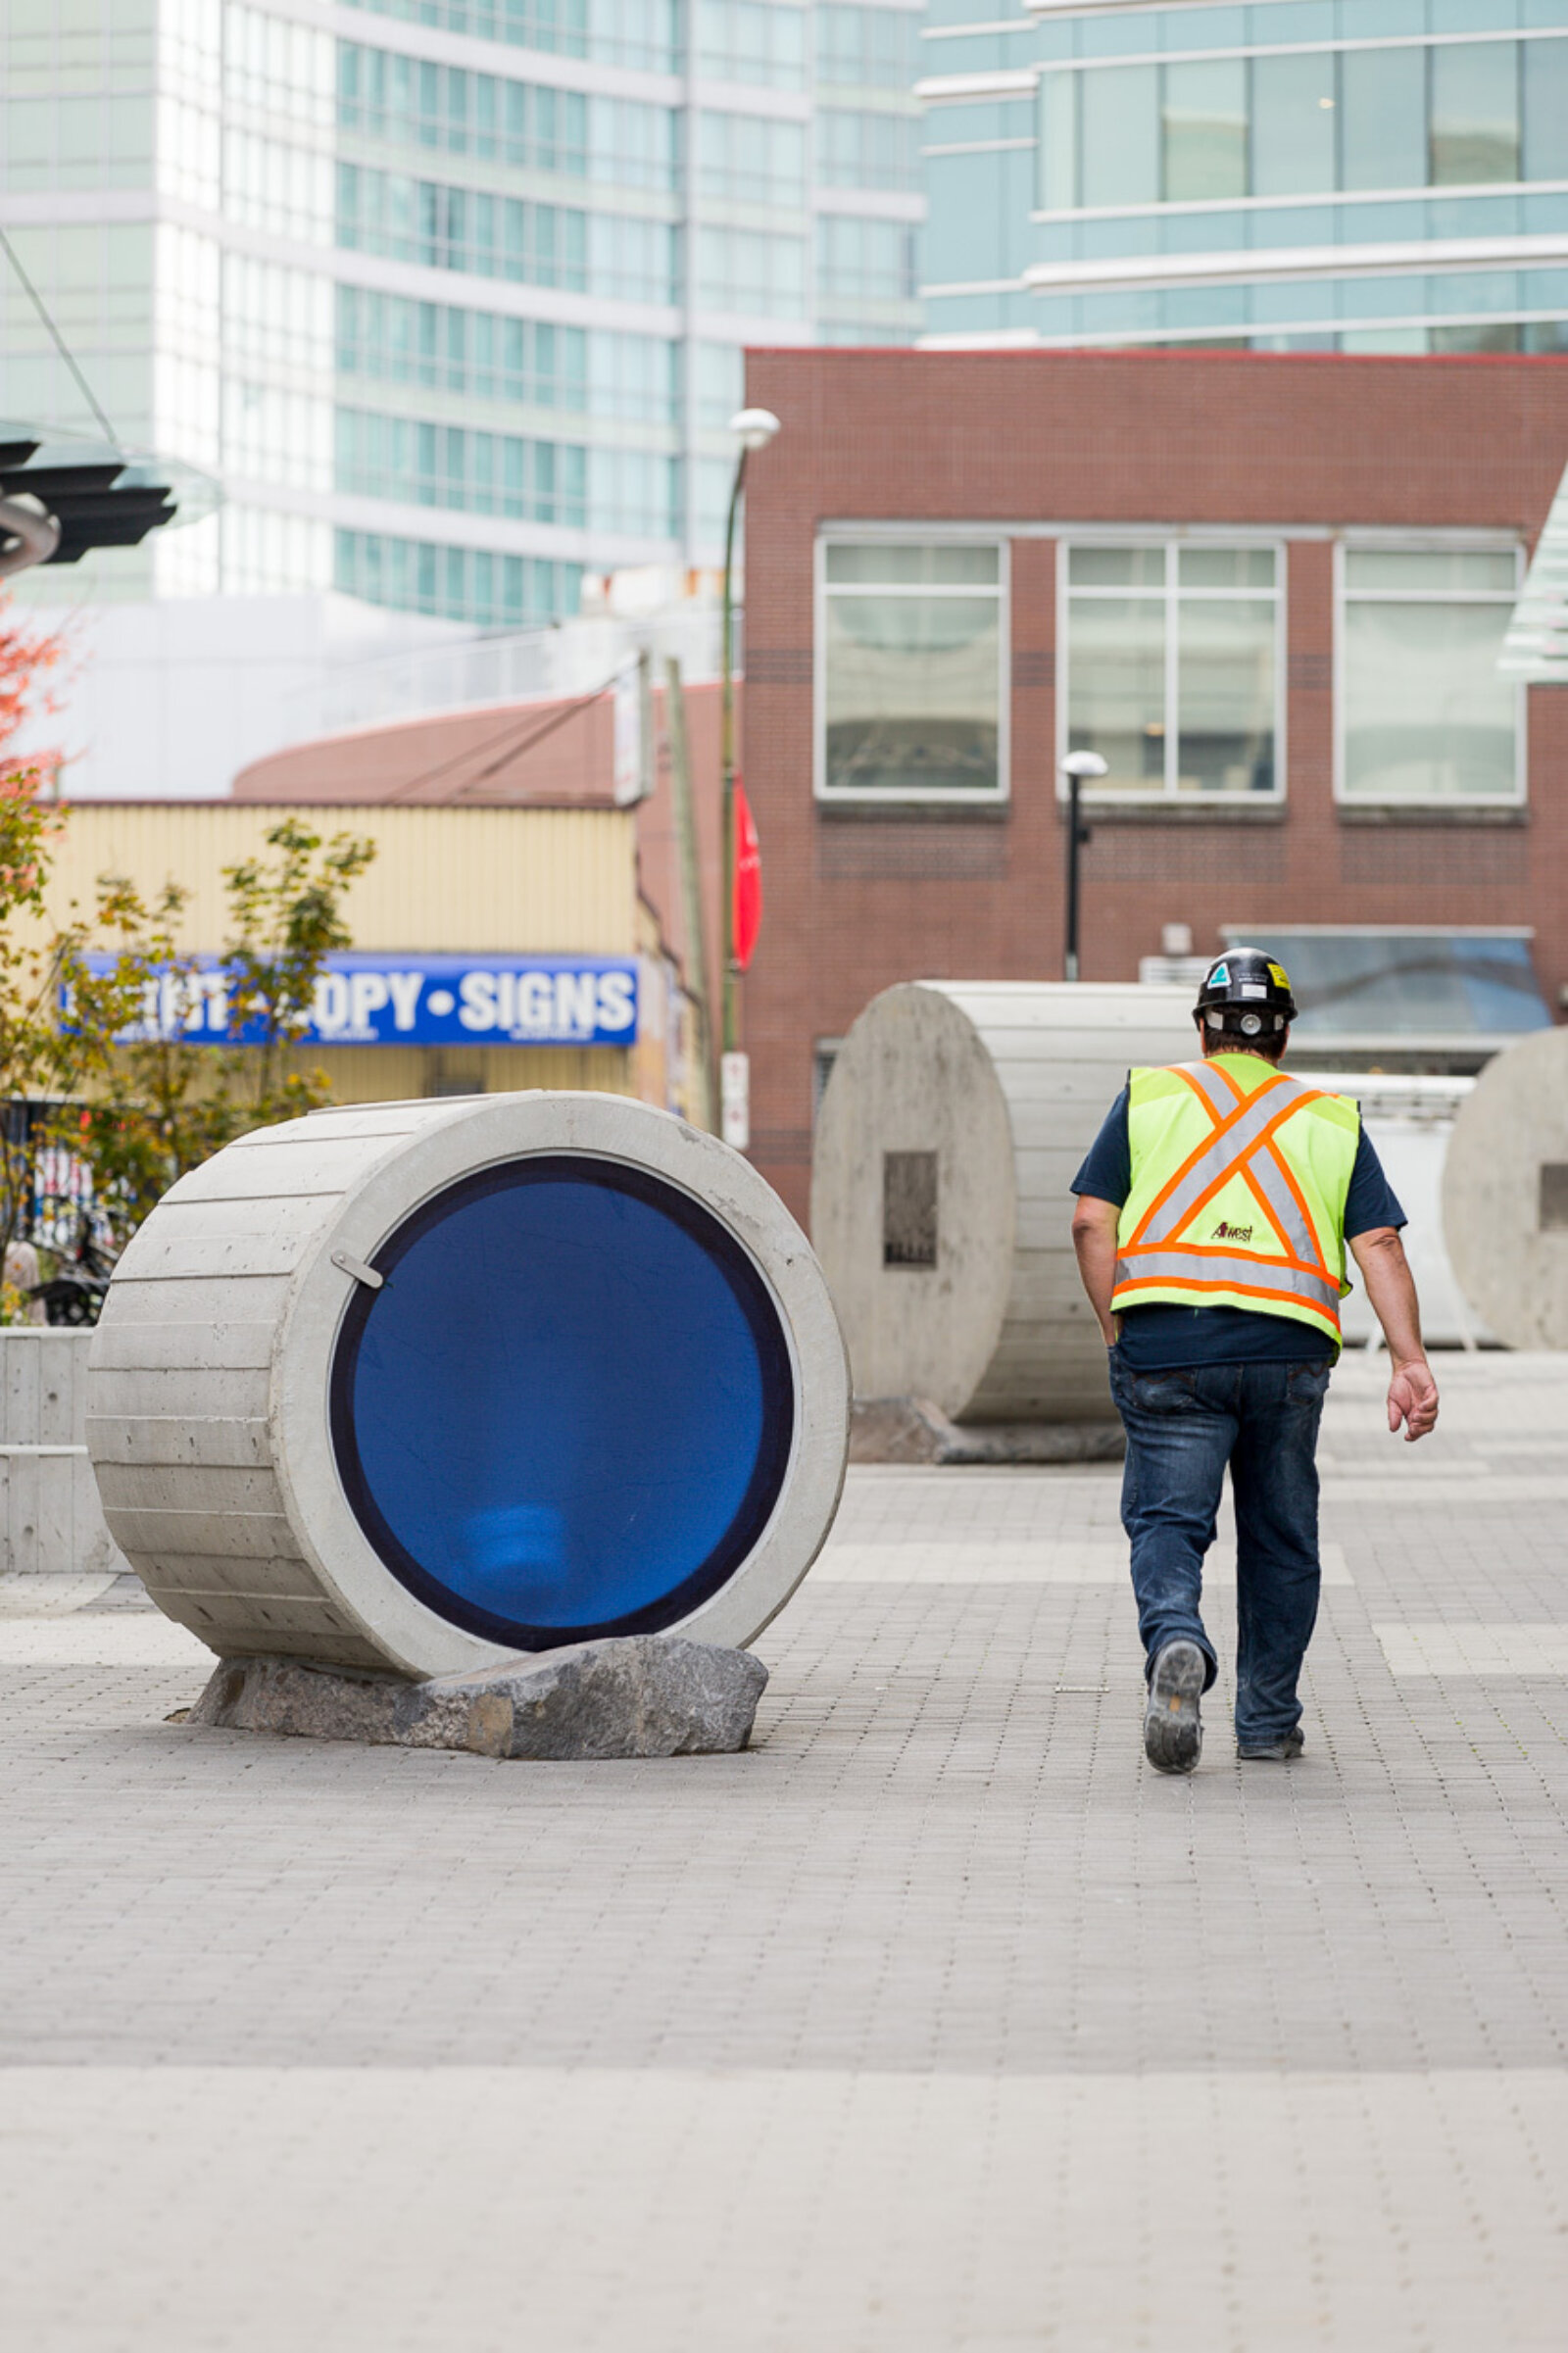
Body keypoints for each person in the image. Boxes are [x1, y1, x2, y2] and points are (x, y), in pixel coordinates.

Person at [1069, 947, 1439, 1775]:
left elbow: (1092, 1222)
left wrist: (1113, 1325)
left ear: (1202, 1027)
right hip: (1287, 1353)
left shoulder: (1150, 1096)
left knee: (1168, 1521)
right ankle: (1267, 1723)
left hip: (1166, 1346)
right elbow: (1377, 1240)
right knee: (1279, 1536)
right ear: (1282, 1037)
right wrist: (1409, 1360)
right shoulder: (1330, 1118)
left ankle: (1176, 1642)